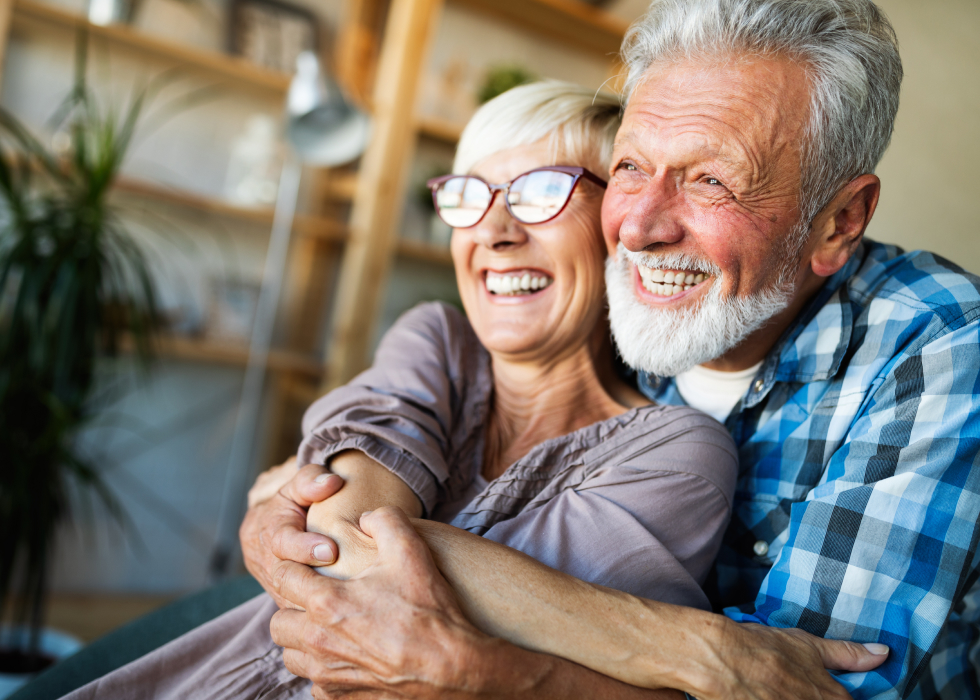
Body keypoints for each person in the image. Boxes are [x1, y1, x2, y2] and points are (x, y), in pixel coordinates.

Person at [253, 0, 980, 698]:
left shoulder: (939, 342)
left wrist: (491, 675)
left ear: (839, 221)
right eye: (631, 167)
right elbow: (346, 485)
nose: (637, 228)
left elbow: (811, 691)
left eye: (711, 180)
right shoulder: (601, 316)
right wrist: (695, 648)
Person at [64, 82, 741, 699]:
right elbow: (336, 541)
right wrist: (658, 638)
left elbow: (363, 559)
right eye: (471, 197)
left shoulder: (679, 454)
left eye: (541, 192)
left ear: (618, 226)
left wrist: (293, 493)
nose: (495, 233)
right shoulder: (437, 340)